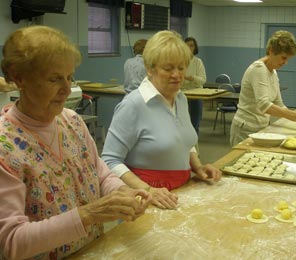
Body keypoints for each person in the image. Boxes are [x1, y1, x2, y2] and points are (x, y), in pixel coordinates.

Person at [0, 26, 151, 260]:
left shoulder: (72, 121)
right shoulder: (5, 146)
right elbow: (11, 242)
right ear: (19, 77)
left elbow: (101, 176)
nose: (67, 89)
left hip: (94, 250)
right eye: (54, 79)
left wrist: (122, 194)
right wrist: (88, 214)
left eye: (70, 77)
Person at [101, 31, 222, 209]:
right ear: (150, 69)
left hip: (181, 191)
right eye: (168, 68)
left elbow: (184, 141)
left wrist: (198, 167)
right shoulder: (134, 104)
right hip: (145, 200)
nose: (177, 75)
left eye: (181, 68)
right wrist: (147, 189)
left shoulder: (180, 98)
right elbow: (110, 160)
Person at [229, 30, 296, 147]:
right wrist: (295, 117)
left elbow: (279, 104)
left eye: (287, 59)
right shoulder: (258, 69)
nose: (286, 62)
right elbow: (264, 105)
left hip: (261, 127)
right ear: (271, 51)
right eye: (283, 58)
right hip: (246, 128)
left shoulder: (273, 72)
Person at [182, 37, 206, 134]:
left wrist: (192, 78)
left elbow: (202, 80)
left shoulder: (198, 62)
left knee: (194, 123)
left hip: (196, 94)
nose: (189, 48)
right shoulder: (179, 61)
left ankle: (194, 145)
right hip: (182, 93)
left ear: (195, 48)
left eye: (191, 45)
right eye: (187, 45)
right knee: (182, 123)